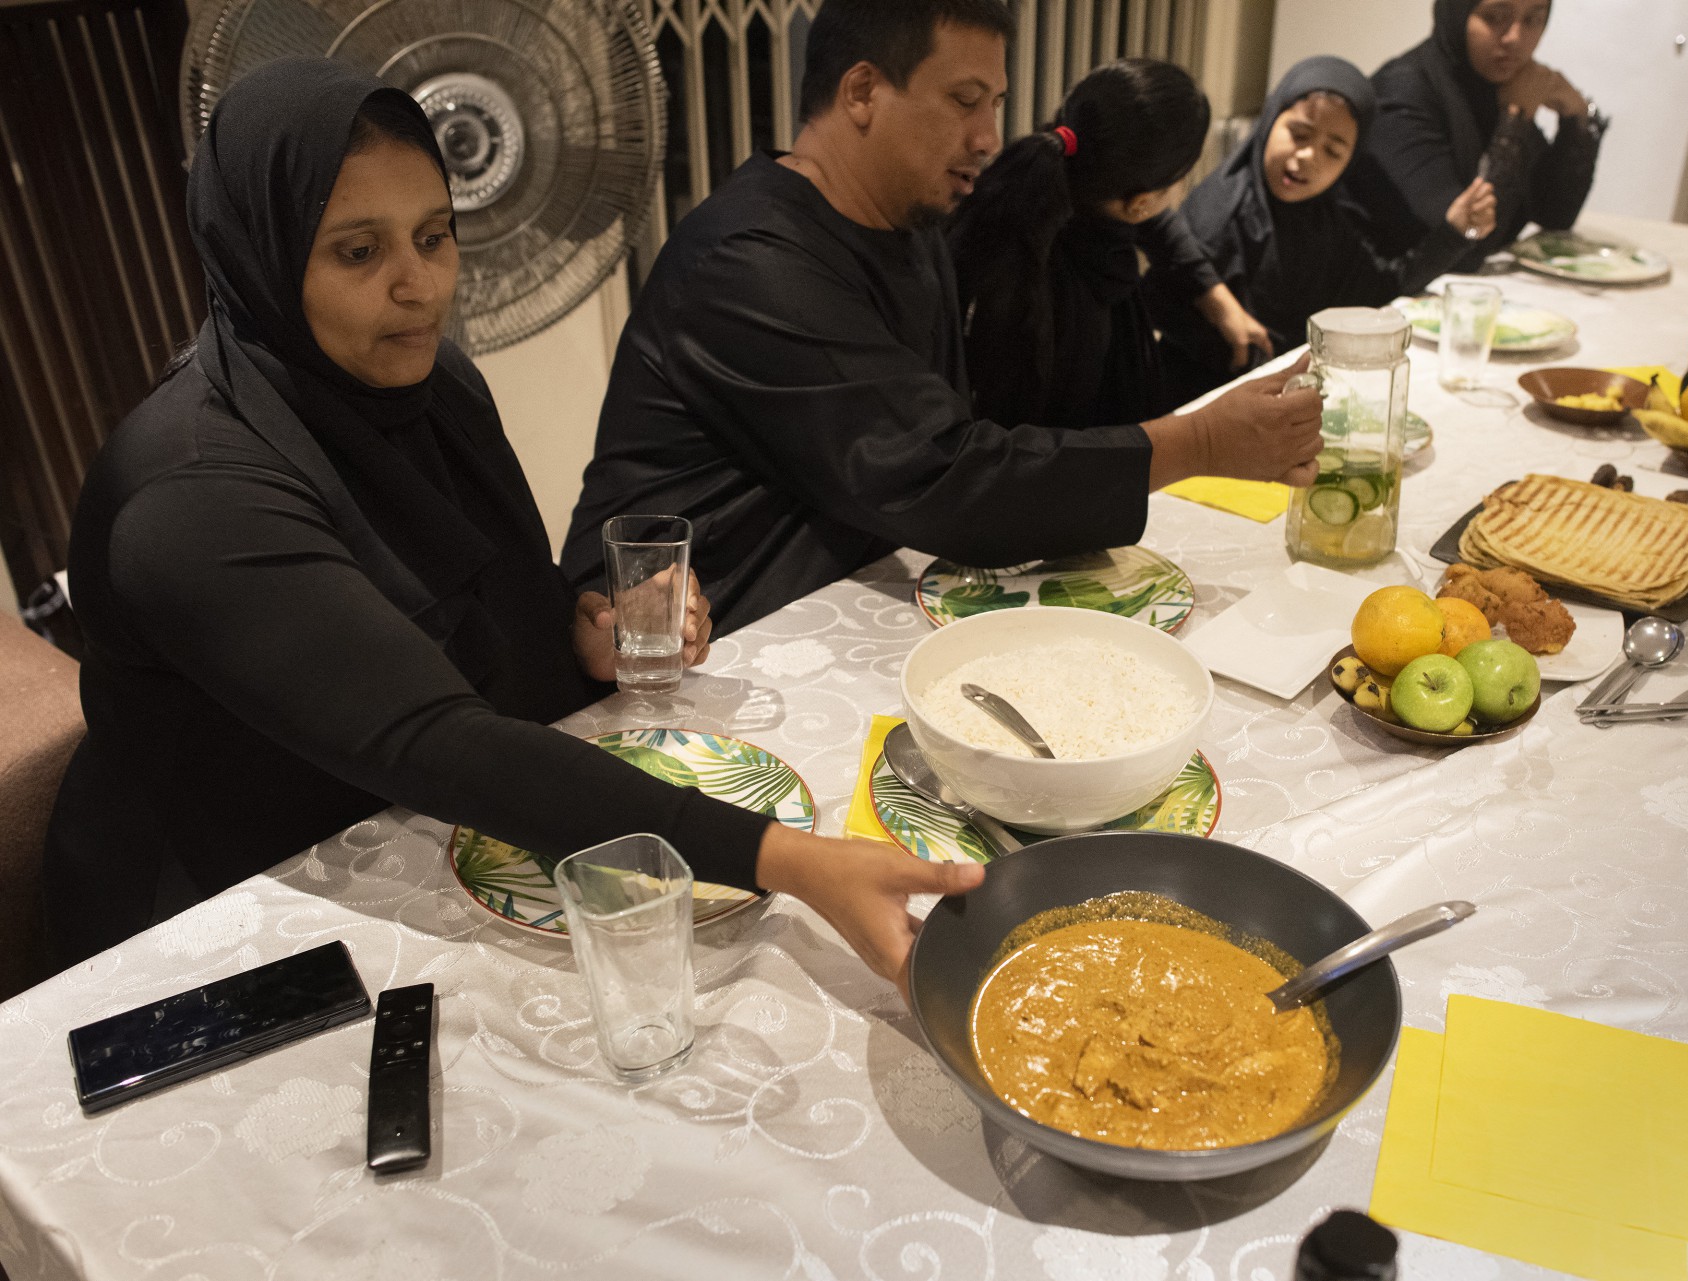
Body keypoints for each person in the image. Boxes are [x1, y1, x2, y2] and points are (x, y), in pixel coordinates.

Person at [41, 57, 979, 994]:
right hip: (222, 921)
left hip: (418, 829)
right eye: (358, 252)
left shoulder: (432, 385)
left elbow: (485, 602)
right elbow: (440, 739)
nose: (420, 285)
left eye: (434, 235)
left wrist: (578, 637)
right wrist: (794, 861)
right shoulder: (191, 495)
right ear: (261, 256)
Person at [561, 0, 1325, 634]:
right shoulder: (750, 262)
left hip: (834, 600)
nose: (990, 136)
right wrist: (1200, 440)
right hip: (694, 641)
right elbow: (940, 474)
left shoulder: (910, 221)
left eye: (994, 104)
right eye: (965, 101)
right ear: (862, 92)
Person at [1144, 56, 1497, 403]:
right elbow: (1163, 309)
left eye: (1333, 151)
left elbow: (1383, 288)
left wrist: (1454, 233)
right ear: (1269, 120)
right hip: (1209, 405)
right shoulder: (1219, 215)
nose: (1309, 157)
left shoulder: (1330, 219)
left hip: (1296, 395)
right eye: (1299, 134)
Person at [946, 58, 1270, 429]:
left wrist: (1216, 298)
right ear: (1140, 204)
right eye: (1181, 178)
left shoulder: (1031, 193)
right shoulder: (1081, 317)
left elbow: (1154, 219)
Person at [1347, 0, 1604, 272]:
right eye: (1495, 17)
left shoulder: (1494, 86)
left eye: (1533, 20)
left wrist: (1576, 116)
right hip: (1377, 303)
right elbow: (1462, 250)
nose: (1514, 38)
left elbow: (1555, 214)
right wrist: (1515, 120)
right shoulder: (1402, 95)